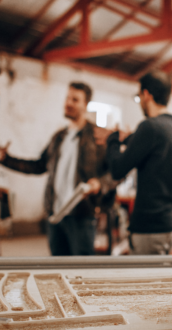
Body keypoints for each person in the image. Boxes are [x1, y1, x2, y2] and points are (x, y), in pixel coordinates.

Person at [0, 82, 113, 256]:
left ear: (86, 104)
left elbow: (116, 173)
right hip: (55, 216)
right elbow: (38, 166)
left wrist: (100, 183)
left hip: (81, 215)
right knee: (57, 267)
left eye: (75, 100)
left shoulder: (98, 137)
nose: (69, 103)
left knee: (81, 270)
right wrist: (6, 159)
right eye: (68, 98)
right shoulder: (59, 138)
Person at [94, 71, 172, 255]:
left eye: (139, 97)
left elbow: (117, 169)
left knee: (149, 281)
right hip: (170, 225)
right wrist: (127, 138)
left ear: (146, 95)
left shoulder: (149, 126)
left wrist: (112, 140)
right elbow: (154, 149)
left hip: (149, 227)